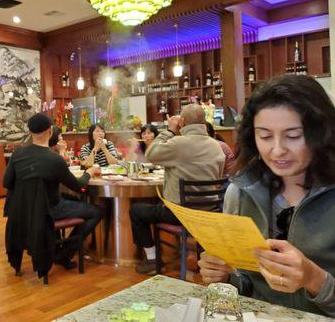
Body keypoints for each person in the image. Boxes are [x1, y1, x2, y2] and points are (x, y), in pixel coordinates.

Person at [198, 75, 335, 317]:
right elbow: (250, 288)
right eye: (265, 136)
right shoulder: (240, 193)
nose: (278, 149)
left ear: (321, 133)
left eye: (293, 136)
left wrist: (314, 279)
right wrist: (226, 277)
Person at [129, 104, 225, 274]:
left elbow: (151, 154)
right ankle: (202, 258)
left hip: (179, 214)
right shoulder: (215, 146)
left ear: (182, 122)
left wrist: (170, 130)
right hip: (210, 212)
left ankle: (152, 259)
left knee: (136, 210)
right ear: (203, 122)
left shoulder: (178, 143)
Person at [4, 113, 102, 269]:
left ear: (30, 132)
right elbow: (79, 186)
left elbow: (6, 182)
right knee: (96, 211)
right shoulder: (54, 159)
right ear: (50, 131)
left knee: (70, 200)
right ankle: (64, 254)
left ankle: (58, 250)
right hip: (48, 211)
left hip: (21, 211)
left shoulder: (17, 154)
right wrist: (90, 171)